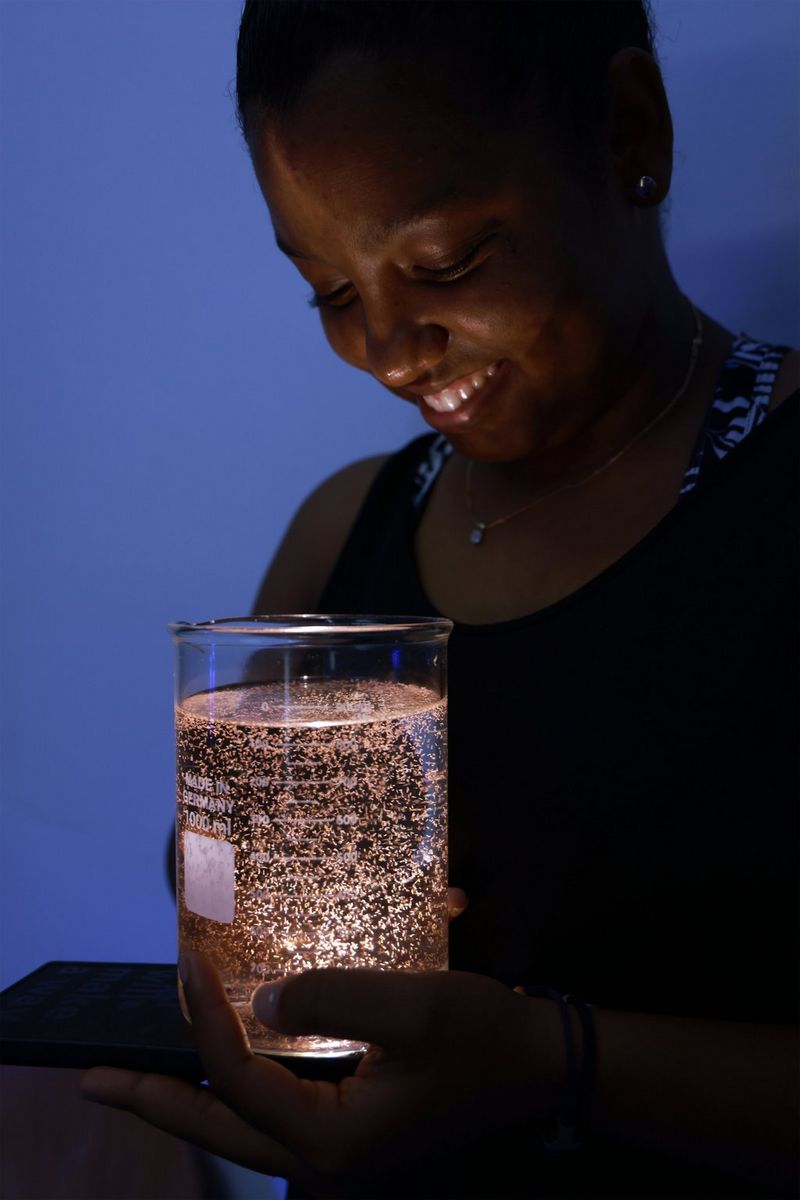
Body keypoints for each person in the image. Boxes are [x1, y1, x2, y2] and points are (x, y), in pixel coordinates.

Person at [82, 2, 799, 1197]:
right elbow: (200, 866)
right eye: (327, 290)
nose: (392, 351)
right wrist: (259, 877)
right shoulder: (344, 525)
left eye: (444, 264)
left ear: (630, 129)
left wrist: (547, 1063)